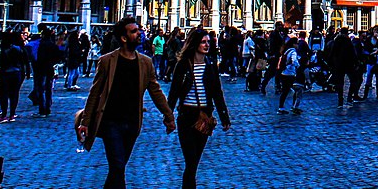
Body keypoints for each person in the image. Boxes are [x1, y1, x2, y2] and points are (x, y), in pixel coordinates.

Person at [78, 18, 176, 189]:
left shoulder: (146, 62)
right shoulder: (107, 61)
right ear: (123, 38)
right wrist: (85, 122)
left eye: (138, 30)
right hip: (110, 122)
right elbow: (95, 93)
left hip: (132, 123)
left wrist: (168, 115)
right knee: (117, 165)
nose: (140, 34)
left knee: (119, 168)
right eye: (134, 31)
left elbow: (155, 91)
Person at [167, 28, 231, 189]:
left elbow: (217, 92)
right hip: (187, 116)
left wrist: (224, 117)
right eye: (203, 42)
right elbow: (174, 91)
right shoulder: (183, 64)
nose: (206, 45)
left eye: (208, 42)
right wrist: (168, 115)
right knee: (190, 159)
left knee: (194, 161)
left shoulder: (210, 65)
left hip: (204, 116)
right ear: (194, 43)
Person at [27, 24, 63, 116]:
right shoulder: (52, 45)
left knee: (41, 89)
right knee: (48, 89)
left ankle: (42, 109)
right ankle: (48, 107)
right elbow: (58, 56)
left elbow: (39, 57)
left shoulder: (42, 45)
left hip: (42, 69)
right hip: (50, 68)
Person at [0, 31, 29, 122]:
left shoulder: (5, 49)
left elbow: (0, 62)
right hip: (17, 72)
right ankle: (12, 114)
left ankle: (4, 114)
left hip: (6, 73)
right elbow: (25, 61)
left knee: (3, 94)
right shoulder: (20, 48)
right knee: (14, 94)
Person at [324, 27, 358, 107]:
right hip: (348, 64)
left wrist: (330, 63)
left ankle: (340, 100)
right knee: (353, 80)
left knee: (340, 83)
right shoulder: (348, 41)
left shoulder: (336, 41)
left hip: (338, 64)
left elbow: (332, 52)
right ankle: (349, 97)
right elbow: (353, 53)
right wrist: (356, 62)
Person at [275, 38, 305, 113]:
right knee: (297, 89)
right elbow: (294, 60)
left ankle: (281, 107)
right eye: (297, 43)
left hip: (284, 72)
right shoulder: (293, 51)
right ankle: (294, 106)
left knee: (285, 91)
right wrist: (298, 66)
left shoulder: (286, 51)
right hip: (290, 73)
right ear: (293, 44)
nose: (298, 45)